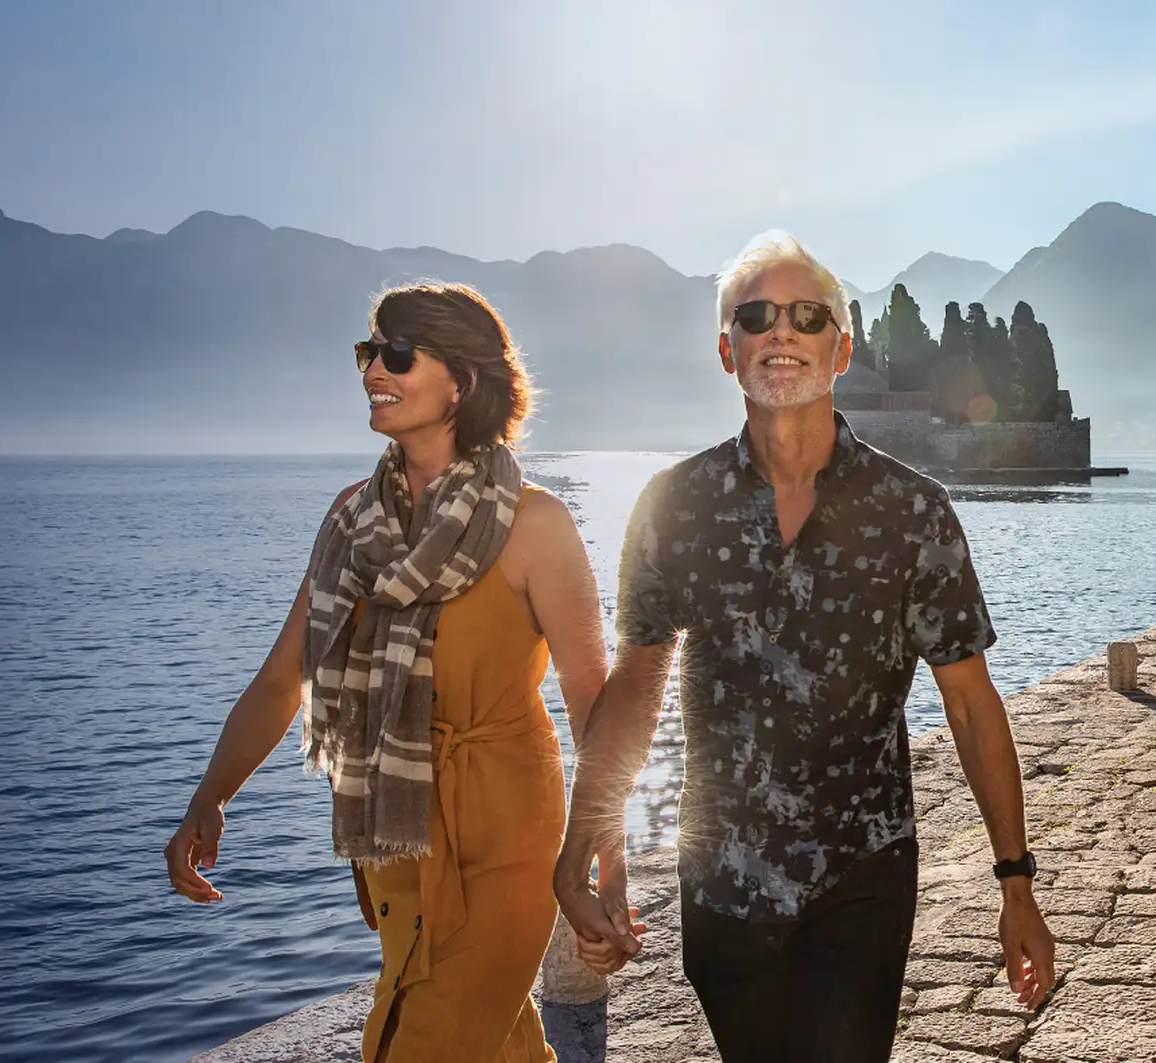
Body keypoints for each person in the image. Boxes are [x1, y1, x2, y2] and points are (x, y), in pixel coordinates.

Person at [552, 233, 1058, 1063]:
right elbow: (637, 687)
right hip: (718, 882)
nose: (779, 331)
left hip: (861, 877)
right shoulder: (672, 506)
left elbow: (969, 700)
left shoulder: (912, 511)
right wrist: (580, 853)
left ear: (842, 346)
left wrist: (1017, 886)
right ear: (728, 349)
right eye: (756, 316)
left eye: (806, 315)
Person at [165, 282, 611, 1061]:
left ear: (462, 381)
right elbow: (283, 679)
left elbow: (589, 699)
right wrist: (211, 796)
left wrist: (605, 853)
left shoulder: (536, 524)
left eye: (397, 354)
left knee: (411, 1044)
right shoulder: (351, 519)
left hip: (505, 834)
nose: (374, 370)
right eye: (367, 353)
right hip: (395, 842)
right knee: (498, 1046)